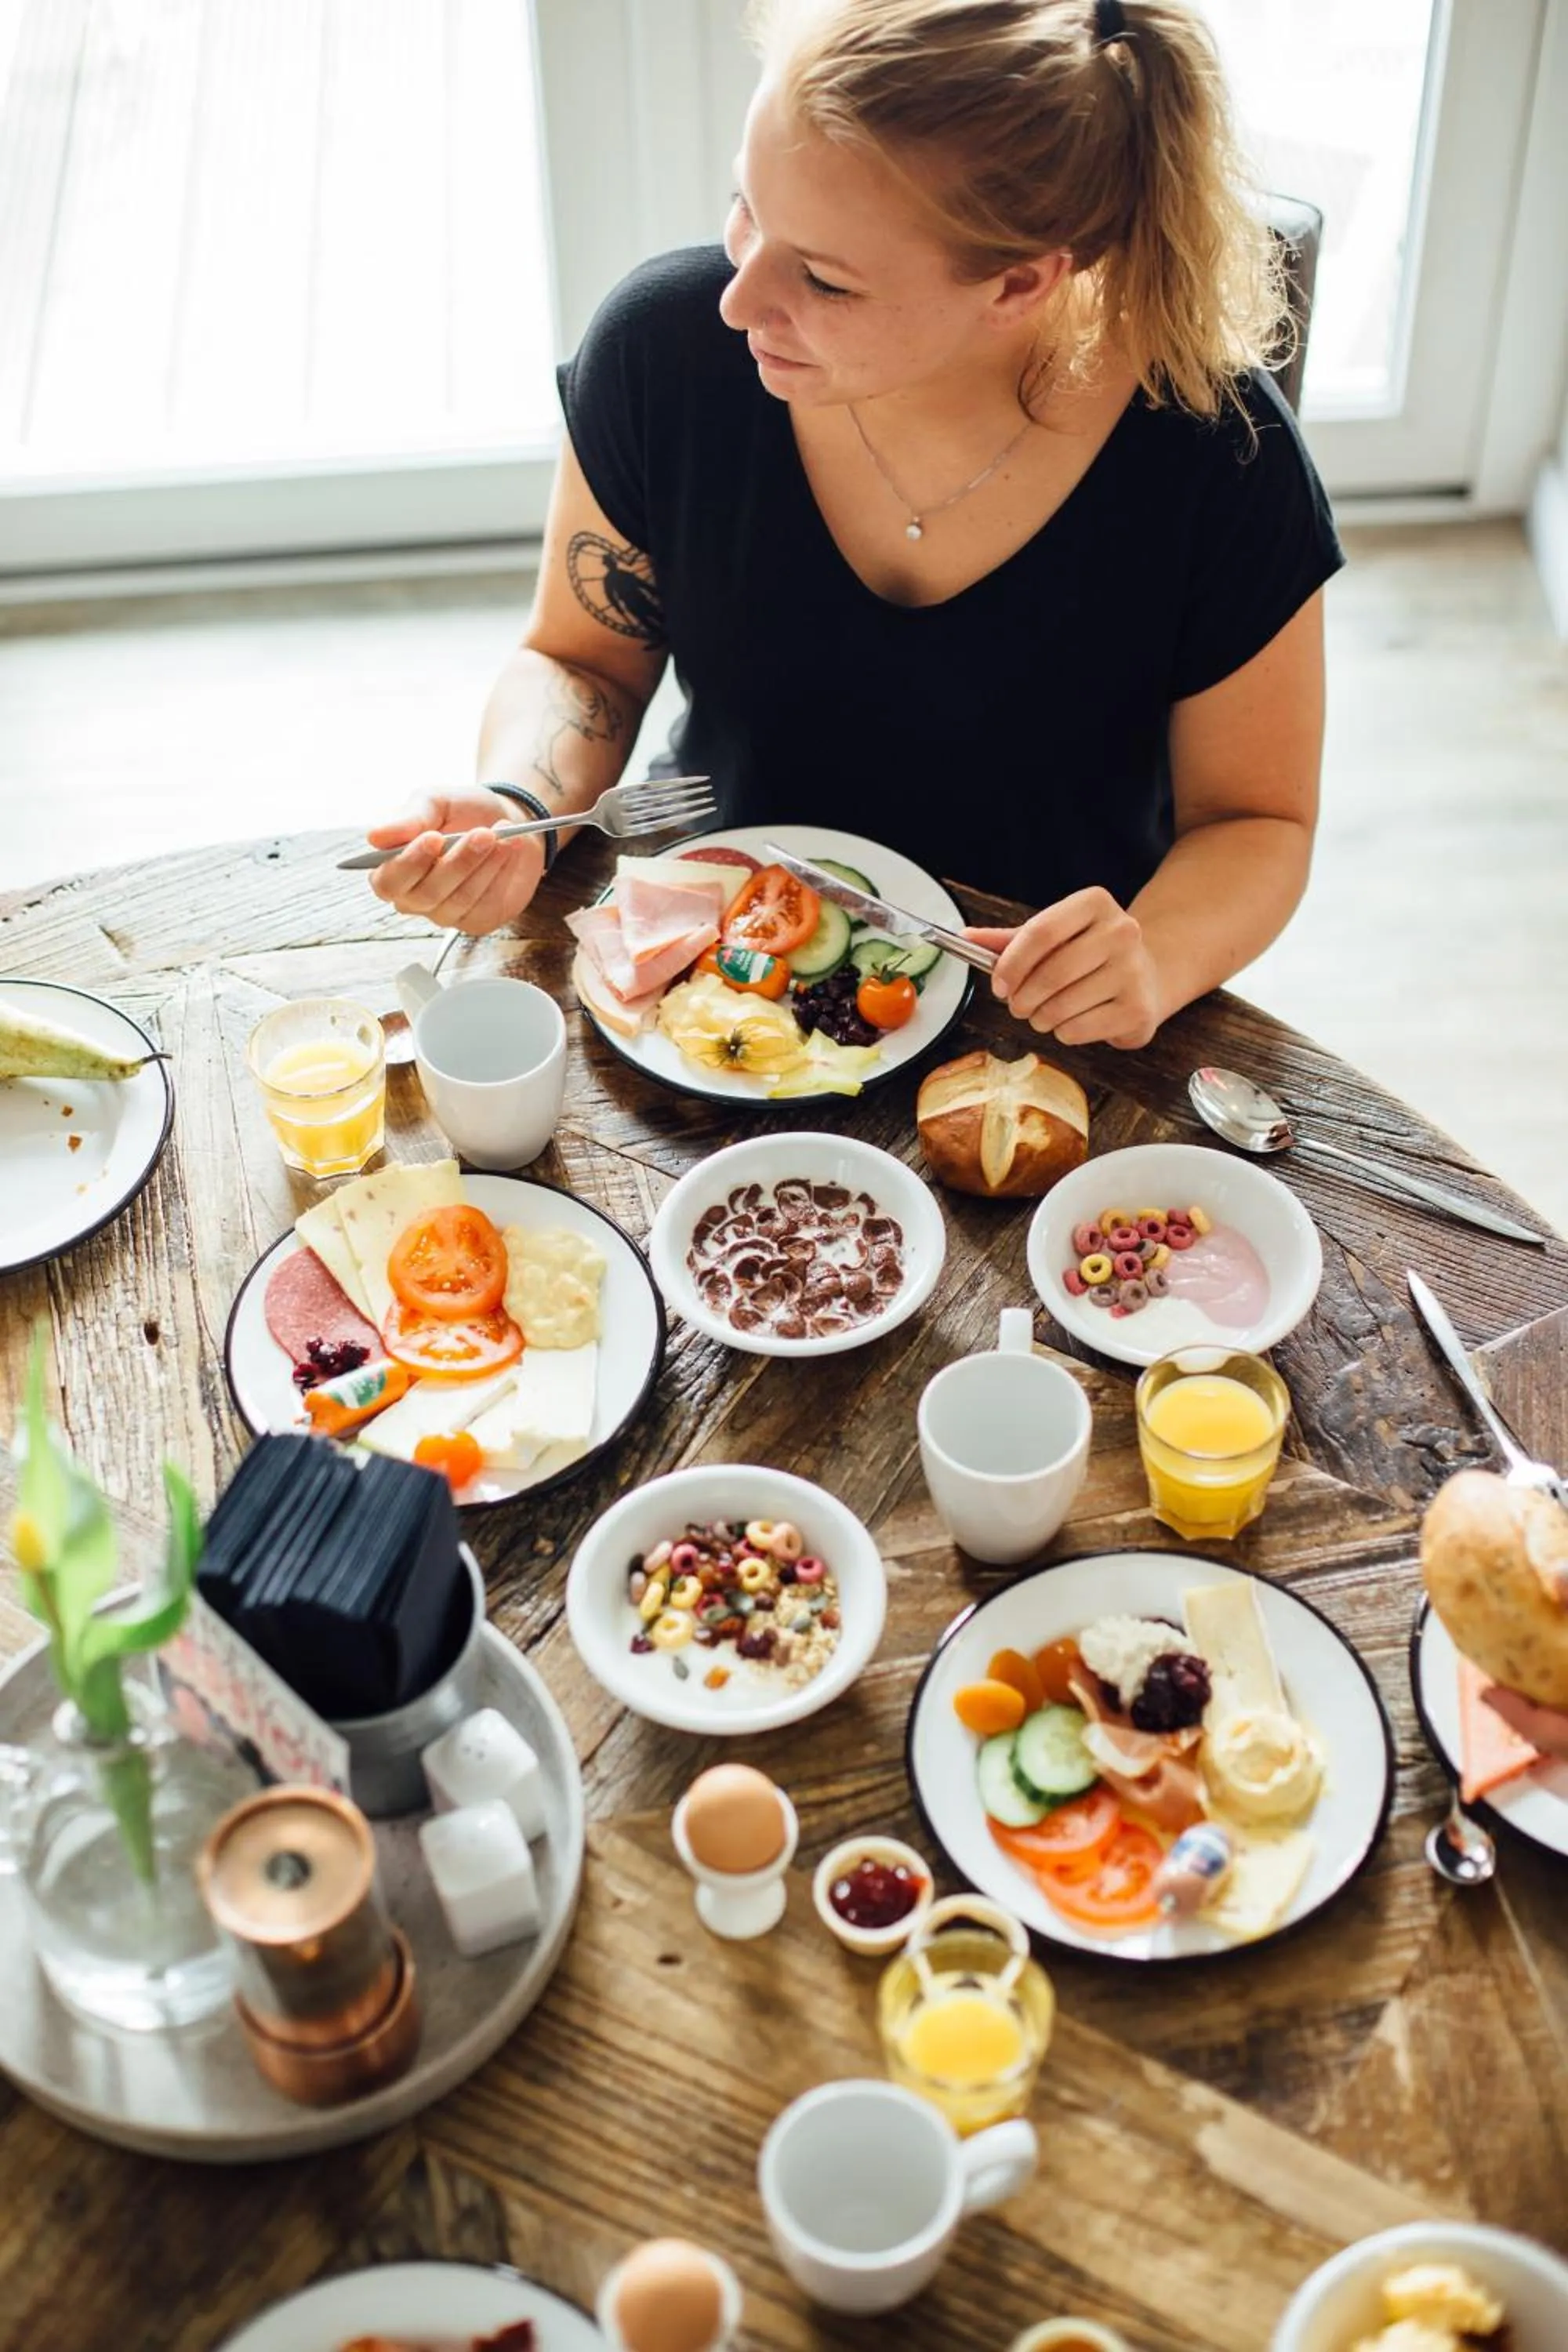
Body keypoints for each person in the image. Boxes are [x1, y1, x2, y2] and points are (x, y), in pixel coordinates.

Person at [365, 0, 1343, 1051]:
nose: (739, 299)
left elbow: (1256, 823)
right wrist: (521, 800)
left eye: (824, 279)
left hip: (1028, 1009)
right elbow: (582, 663)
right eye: (745, 208)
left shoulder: (1218, 460)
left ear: (1021, 280)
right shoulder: (665, 356)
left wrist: (1153, 951)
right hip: (713, 969)